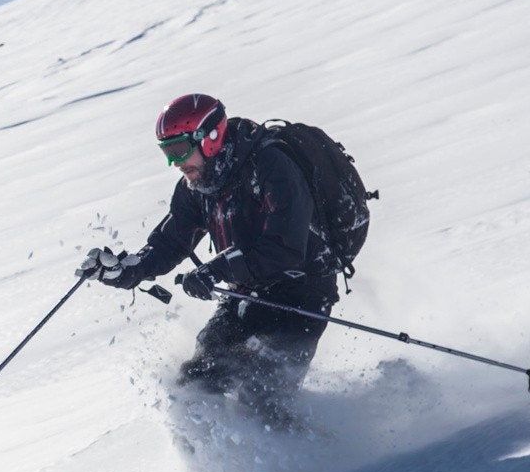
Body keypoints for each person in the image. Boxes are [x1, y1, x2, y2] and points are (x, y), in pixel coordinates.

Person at [89, 93, 341, 425]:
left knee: (261, 398)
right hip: (245, 294)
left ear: (209, 138)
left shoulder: (271, 167)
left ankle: (332, 466)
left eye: (178, 150)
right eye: (167, 153)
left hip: (301, 293)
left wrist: (217, 268)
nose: (175, 163)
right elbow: (171, 240)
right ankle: (221, 470)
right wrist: (130, 270)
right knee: (195, 384)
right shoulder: (196, 186)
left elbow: (286, 247)